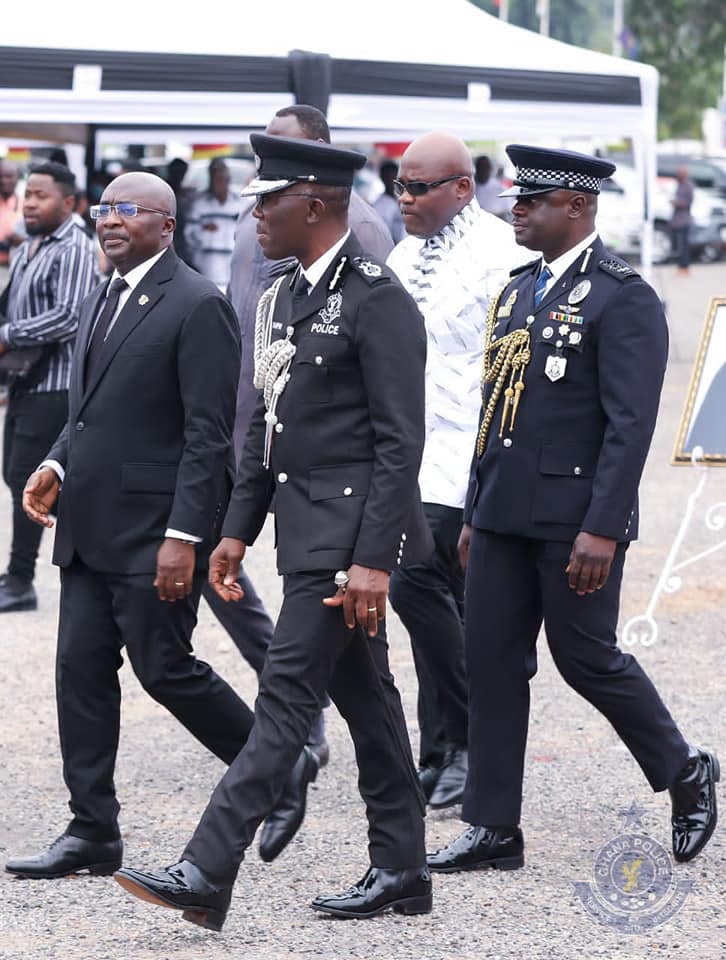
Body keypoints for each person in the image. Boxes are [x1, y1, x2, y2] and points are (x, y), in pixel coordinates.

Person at [114, 133, 434, 930]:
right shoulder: (280, 296)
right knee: (370, 700)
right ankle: (403, 867)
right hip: (303, 530)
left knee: (286, 699)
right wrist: (234, 530)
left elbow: (401, 441)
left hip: (345, 541)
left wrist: (372, 560)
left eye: (270, 200)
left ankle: (206, 866)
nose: (255, 214)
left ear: (315, 205)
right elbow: (266, 428)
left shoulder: (376, 297)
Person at [5, 171, 314, 882]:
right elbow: (86, 413)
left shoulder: (197, 305)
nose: (111, 221)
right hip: (88, 525)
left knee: (167, 671)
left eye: (130, 211)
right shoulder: (100, 295)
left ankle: (280, 764)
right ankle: (92, 830)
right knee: (78, 673)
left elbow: (209, 435)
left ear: (167, 225)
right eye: (105, 209)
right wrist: (54, 463)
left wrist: (185, 534)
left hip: (154, 532)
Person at [427, 145, 719, 875]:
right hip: (499, 515)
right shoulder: (519, 289)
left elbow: (630, 426)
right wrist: (473, 509)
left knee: (586, 657)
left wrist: (604, 527)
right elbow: (495, 408)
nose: (517, 211)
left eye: (534, 202)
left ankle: (685, 771)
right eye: (518, 200)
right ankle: (494, 828)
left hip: (574, 519)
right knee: (489, 660)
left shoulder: (624, 297)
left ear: (578, 208)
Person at [204, 104, 395, 767]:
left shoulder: (363, 231)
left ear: (317, 152)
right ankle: (302, 713)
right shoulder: (252, 215)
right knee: (209, 551)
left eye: (279, 149)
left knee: (328, 603)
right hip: (240, 420)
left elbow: (373, 365)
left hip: (317, 445)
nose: (262, 162)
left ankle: (298, 727)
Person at [387, 132, 529, 809]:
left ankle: (471, 743)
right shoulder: (401, 252)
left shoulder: (504, 256)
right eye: (399, 184)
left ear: (462, 188)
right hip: (410, 458)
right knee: (419, 597)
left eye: (418, 187)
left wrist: (496, 467)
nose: (404, 197)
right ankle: (438, 746)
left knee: (444, 599)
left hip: (473, 456)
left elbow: (514, 374)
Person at [0, 162, 97, 613]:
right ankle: (88, 548)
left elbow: (69, 316)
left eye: (41, 195)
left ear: (70, 203)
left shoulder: (74, 247)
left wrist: (7, 335)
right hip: (24, 382)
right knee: (13, 474)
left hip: (56, 385)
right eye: (28, 194)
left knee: (27, 477)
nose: (31, 202)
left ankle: (22, 579)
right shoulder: (31, 245)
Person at [185, 158, 243, 290]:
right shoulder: (200, 204)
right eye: (217, 179)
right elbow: (189, 235)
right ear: (211, 179)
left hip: (232, 268)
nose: (220, 183)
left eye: (223, 178)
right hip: (207, 267)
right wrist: (203, 230)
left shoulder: (239, 204)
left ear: (228, 180)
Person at [373, 160, 406, 243]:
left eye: (394, 177)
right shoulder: (379, 206)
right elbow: (383, 233)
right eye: (388, 178)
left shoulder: (404, 197)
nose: (391, 181)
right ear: (382, 178)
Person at [0, 159, 24, 269]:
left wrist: (22, 240)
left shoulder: (26, 205)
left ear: (18, 177)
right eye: (1, 176)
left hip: (13, 267)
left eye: (9, 176)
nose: (4, 181)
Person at [670, 165, 694, 274]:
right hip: (677, 221)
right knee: (678, 246)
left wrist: (676, 203)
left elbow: (688, 202)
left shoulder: (688, 186)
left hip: (684, 220)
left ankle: (685, 267)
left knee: (684, 246)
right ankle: (680, 266)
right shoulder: (679, 185)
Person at [474, 155, 512, 220]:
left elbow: (508, 211)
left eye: (485, 168)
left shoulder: (500, 189)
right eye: (480, 167)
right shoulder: (471, 187)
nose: (482, 171)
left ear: (490, 169)